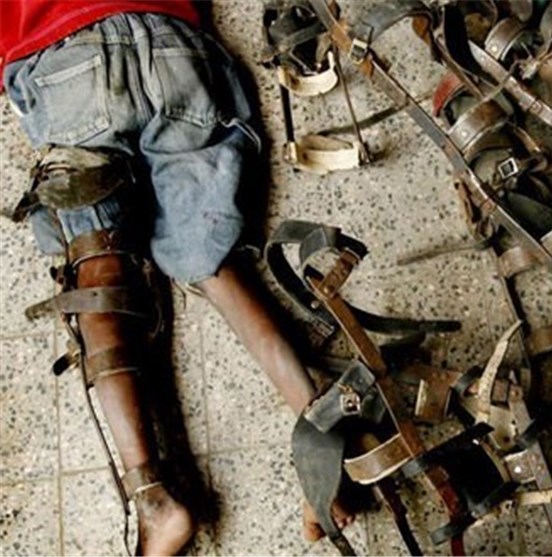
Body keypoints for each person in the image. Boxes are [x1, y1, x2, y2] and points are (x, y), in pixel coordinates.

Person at [1, 1, 351, 554]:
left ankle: (155, 503)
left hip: (64, 64)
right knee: (208, 260)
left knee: (98, 274)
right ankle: (322, 426)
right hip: (173, 47)